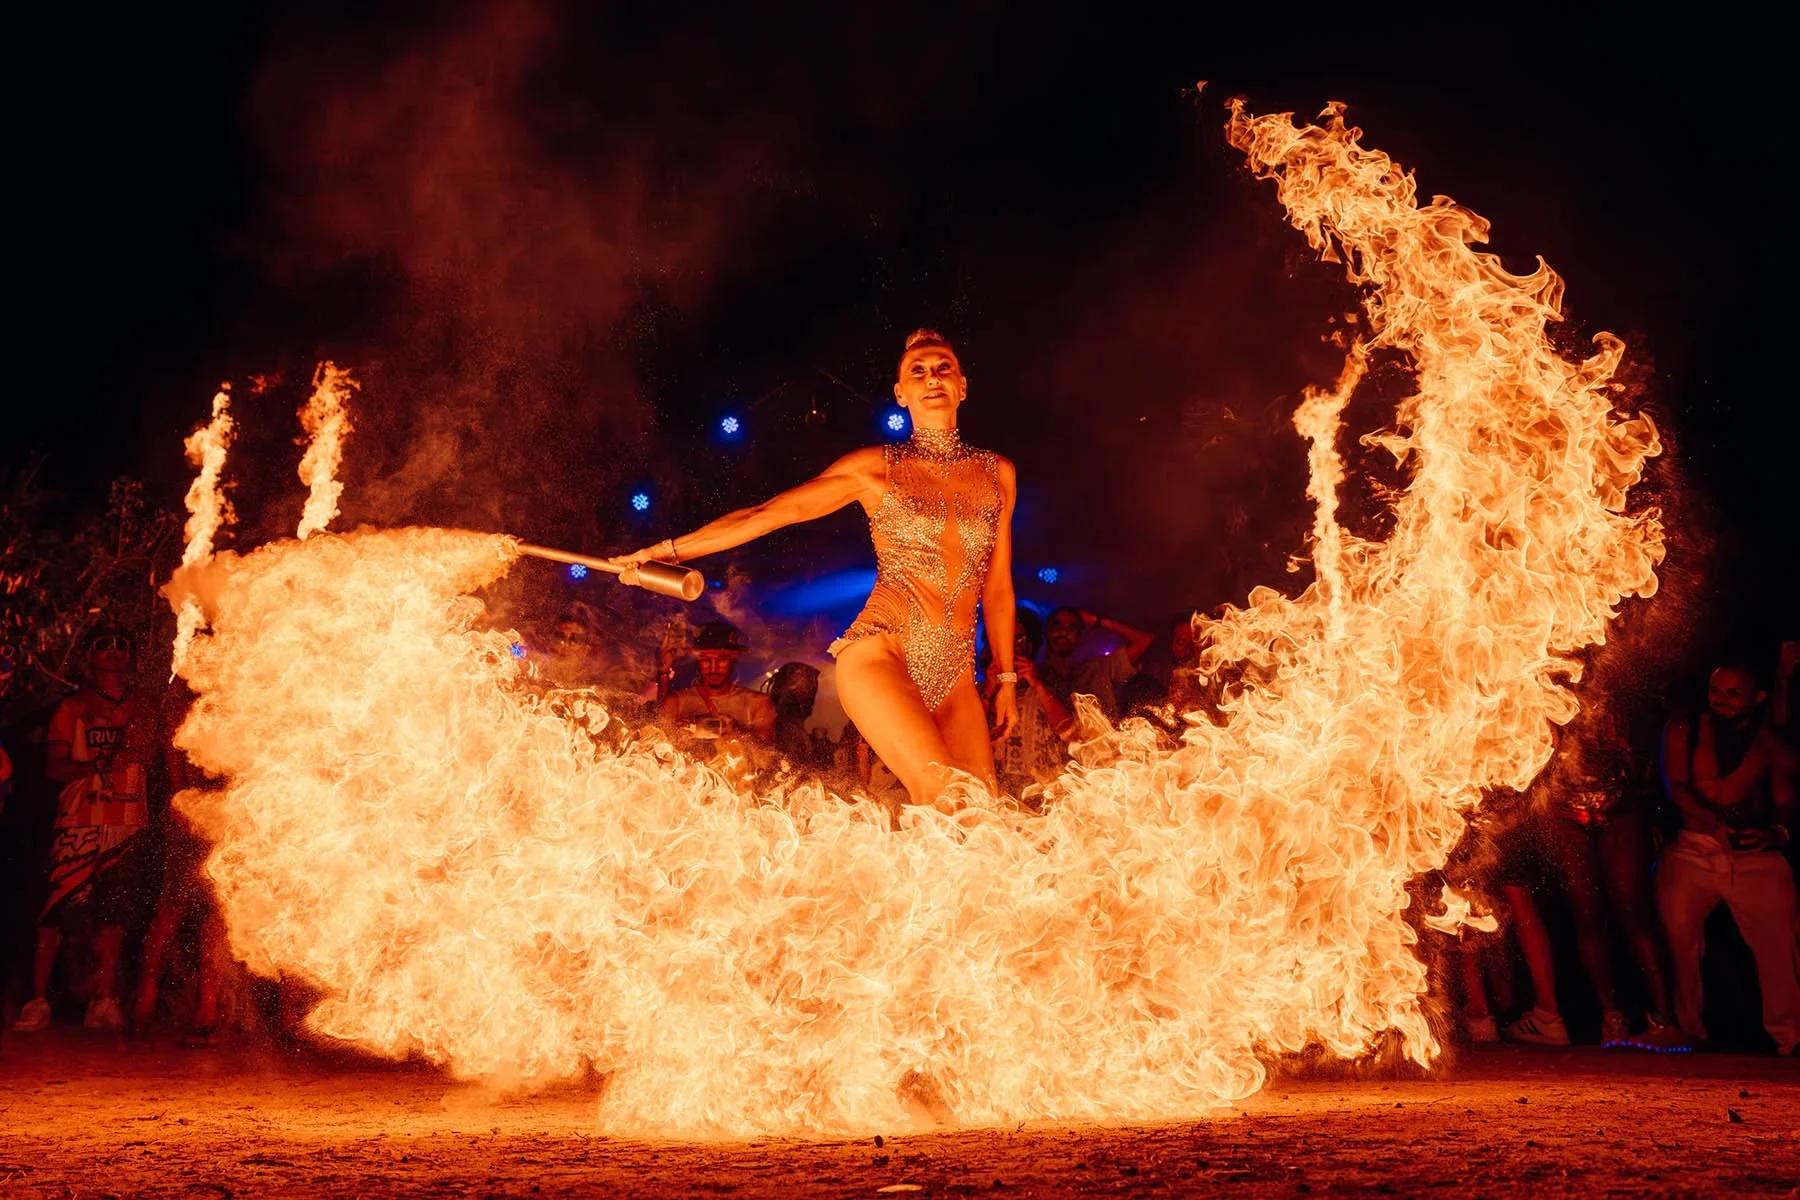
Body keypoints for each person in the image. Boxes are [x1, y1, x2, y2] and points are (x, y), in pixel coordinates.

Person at [615, 328, 1019, 811]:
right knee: (945, 797)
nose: (931, 378)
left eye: (942, 369)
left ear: (962, 385)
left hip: (955, 675)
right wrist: (668, 550)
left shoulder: (998, 473)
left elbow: (997, 588)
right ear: (901, 393)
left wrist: (1007, 678)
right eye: (918, 371)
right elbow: (765, 514)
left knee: (983, 819)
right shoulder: (874, 468)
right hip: (881, 654)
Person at [1494, 712, 1688, 1050]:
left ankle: (1664, 1019)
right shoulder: (1545, 686)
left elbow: (1641, 754)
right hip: (1564, 811)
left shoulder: (1612, 686)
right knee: (1586, 914)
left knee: (1632, 908)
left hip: (1619, 807)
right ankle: (1610, 1016)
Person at [13, 626, 157, 1033]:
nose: (113, 652)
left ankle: (104, 998)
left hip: (127, 821)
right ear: (89, 657)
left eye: (121, 645)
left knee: (114, 912)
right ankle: (37, 999)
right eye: (103, 646)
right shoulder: (72, 707)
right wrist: (94, 767)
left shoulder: (145, 706)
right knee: (56, 910)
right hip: (79, 819)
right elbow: (53, 767)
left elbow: (154, 753)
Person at [1657, 662, 1799, 1055]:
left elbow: (1787, 802)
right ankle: (1689, 1032)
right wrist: (1714, 821)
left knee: (1780, 945)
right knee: (1679, 938)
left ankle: (1792, 1036)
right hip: (1694, 850)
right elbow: (1677, 788)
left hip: (1753, 857)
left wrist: (1775, 833)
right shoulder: (1683, 729)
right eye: (1717, 691)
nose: (1722, 700)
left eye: (1734, 693)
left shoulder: (1769, 743)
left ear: (1757, 699)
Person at [985, 607, 1073, 798]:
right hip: (998, 793)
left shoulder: (1052, 681)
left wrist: (1037, 684)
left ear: (1030, 645)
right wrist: (989, 692)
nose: (1010, 648)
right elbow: (966, 741)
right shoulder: (980, 690)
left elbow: (1070, 732)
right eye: (1004, 641)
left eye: (1017, 640)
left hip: (1045, 791)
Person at [658, 621, 777, 748]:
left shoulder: (758, 704)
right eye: (706, 660)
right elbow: (656, 744)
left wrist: (737, 731)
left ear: (733, 660)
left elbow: (768, 752)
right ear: (697, 661)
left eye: (722, 660)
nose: (713, 668)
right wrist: (676, 735)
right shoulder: (675, 703)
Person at [1039, 606, 1154, 724]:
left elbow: (1144, 640)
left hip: (1103, 741)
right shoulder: (1034, 678)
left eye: (1072, 627)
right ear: (1046, 631)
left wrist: (1097, 620)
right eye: (1057, 625)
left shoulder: (1098, 668)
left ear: (1080, 637)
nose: (1063, 632)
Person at [765, 661, 825, 768]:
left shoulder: (788, 726)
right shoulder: (786, 729)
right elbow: (796, 768)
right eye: (810, 687)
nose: (813, 694)